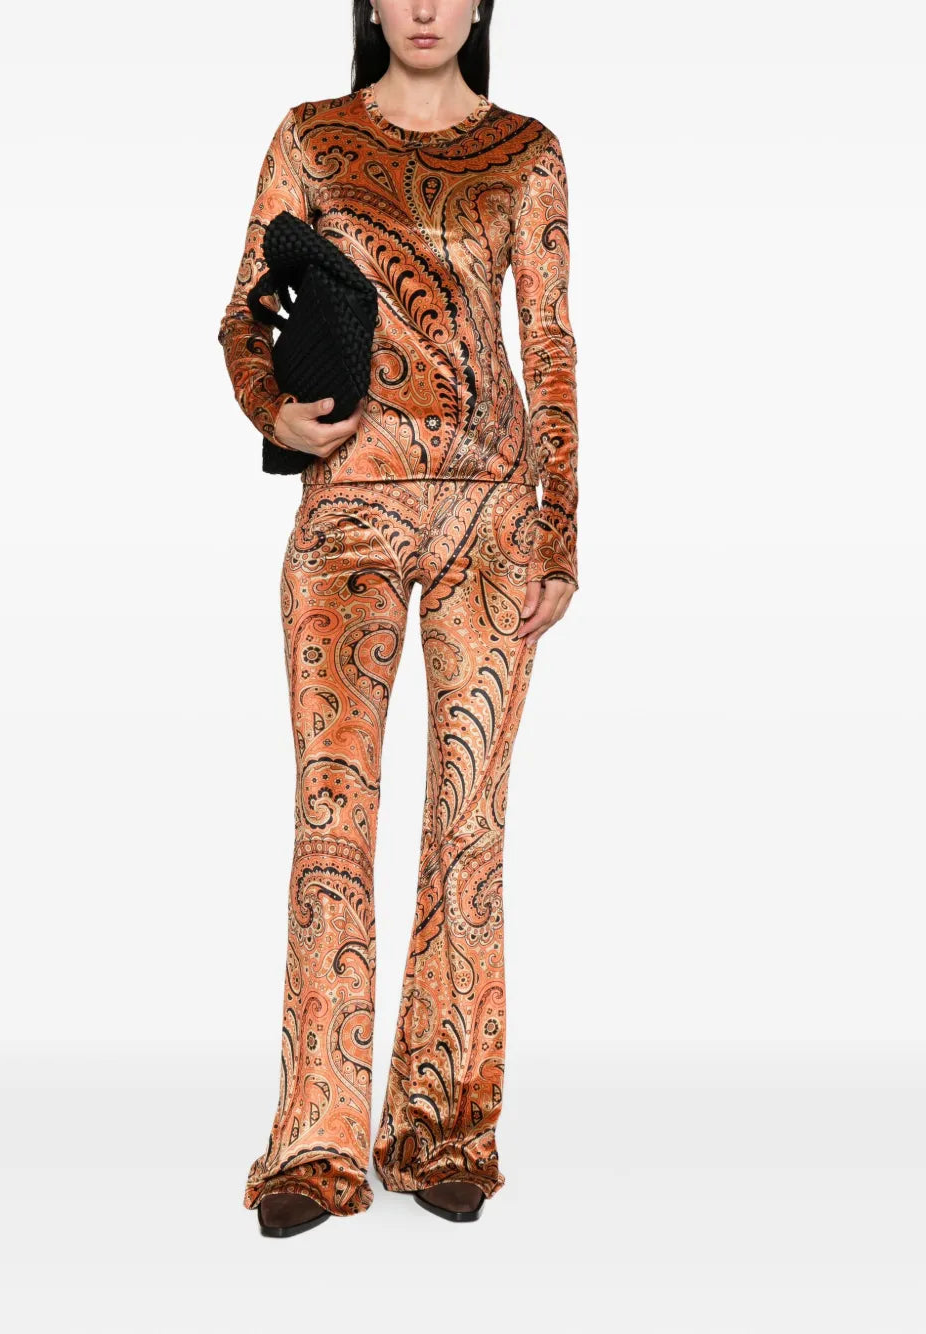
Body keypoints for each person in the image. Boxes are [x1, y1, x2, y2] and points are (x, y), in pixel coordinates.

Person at [217, 0, 579, 1238]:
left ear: (481, 4)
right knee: (334, 809)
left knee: (468, 823)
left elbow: (550, 343)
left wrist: (562, 530)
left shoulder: (527, 150)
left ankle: (440, 1127)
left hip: (493, 512)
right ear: (370, 2)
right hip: (348, 511)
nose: (425, 7)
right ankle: (315, 1144)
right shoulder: (311, 136)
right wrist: (268, 405)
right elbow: (244, 309)